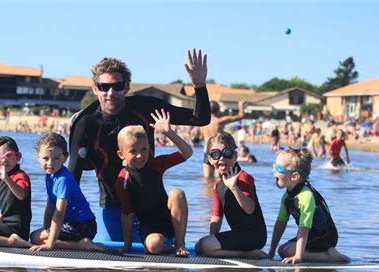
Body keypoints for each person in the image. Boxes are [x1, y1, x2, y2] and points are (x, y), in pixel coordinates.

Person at [68, 49, 211, 241]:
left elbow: (200, 119)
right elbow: (72, 176)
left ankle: (177, 245)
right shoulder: (85, 123)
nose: (110, 93)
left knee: (156, 247)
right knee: (111, 263)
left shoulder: (146, 108)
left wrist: (199, 86)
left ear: (126, 87)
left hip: (151, 208)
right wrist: (61, 223)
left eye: (117, 86)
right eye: (103, 87)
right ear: (95, 89)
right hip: (113, 209)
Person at [115, 110, 192, 257]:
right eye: (133, 151)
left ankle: (180, 243)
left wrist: (169, 133)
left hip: (170, 220)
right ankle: (166, 248)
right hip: (149, 228)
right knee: (153, 245)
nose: (140, 156)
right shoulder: (123, 180)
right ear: (121, 154)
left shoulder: (155, 164)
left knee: (177, 193)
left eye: (144, 149)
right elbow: (127, 214)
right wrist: (127, 246)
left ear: (149, 147)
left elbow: (187, 153)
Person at [267, 148, 350, 263]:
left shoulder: (306, 196)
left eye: (279, 168)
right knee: (282, 250)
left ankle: (331, 256)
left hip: (326, 236)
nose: (274, 171)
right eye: (274, 166)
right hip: (311, 235)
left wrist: (298, 256)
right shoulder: (287, 197)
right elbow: (280, 224)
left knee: (287, 251)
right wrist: (271, 252)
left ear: (294, 176)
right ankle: (316, 253)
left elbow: (304, 228)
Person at [194, 132, 267, 258]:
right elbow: (217, 217)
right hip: (239, 234)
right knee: (200, 247)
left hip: (254, 236)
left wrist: (234, 187)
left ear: (235, 156)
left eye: (226, 153)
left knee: (206, 246)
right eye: (216, 154)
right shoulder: (217, 183)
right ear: (210, 160)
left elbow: (250, 209)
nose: (221, 158)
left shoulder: (244, 177)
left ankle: (250, 254)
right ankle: (244, 253)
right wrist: (212, 237)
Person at [30, 133, 105, 252]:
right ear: (38, 157)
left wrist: (50, 244)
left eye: (56, 158)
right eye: (45, 158)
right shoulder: (50, 176)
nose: (50, 163)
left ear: (65, 157)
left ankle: (81, 245)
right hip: (79, 225)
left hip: (81, 225)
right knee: (36, 236)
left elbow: (59, 213)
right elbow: (50, 206)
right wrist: (46, 228)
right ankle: (78, 243)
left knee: (35, 238)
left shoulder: (63, 179)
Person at [200, 100, 245, 177]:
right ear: (218, 110)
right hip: (219, 152)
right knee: (220, 177)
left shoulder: (203, 122)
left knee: (207, 178)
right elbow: (241, 116)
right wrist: (241, 105)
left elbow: (201, 137)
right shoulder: (219, 121)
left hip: (207, 150)